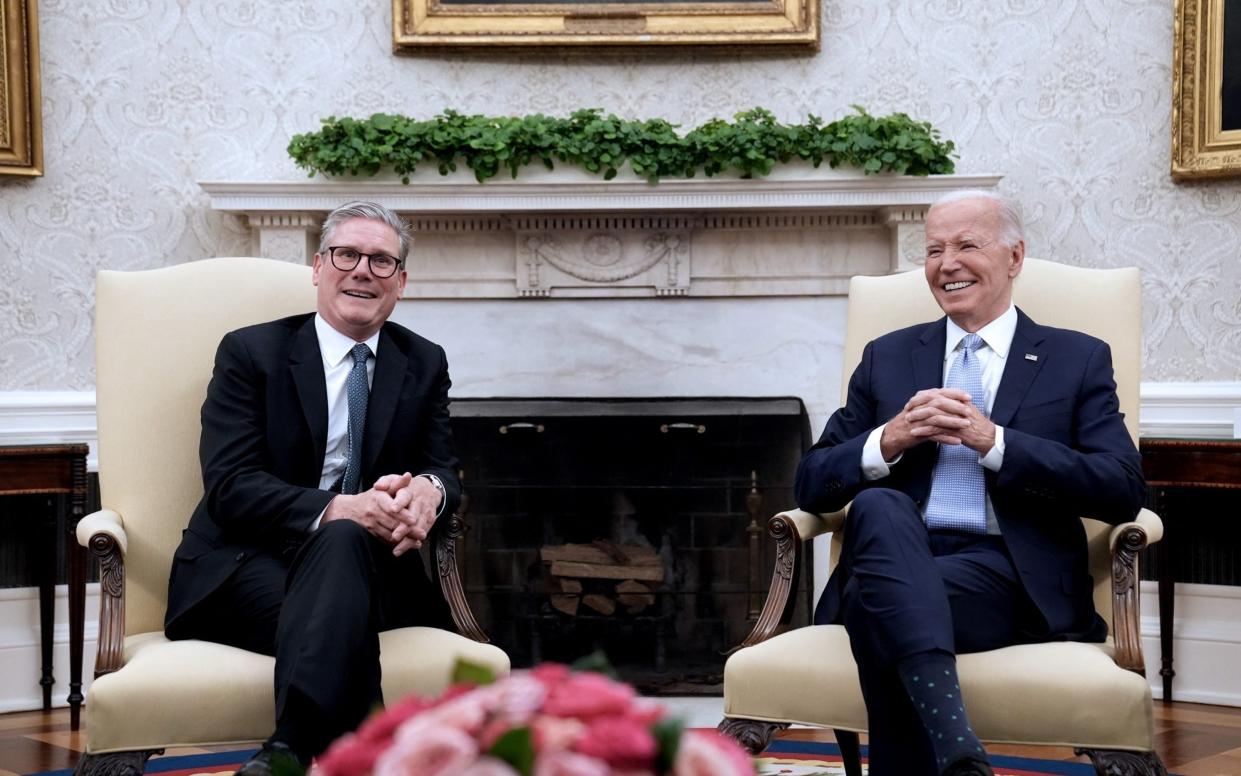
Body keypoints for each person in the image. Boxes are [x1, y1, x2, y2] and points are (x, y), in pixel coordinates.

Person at [794, 190, 1145, 776]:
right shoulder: (889, 357)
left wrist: (996, 443)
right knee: (880, 506)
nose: (946, 263)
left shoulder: (1075, 358)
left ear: (1014, 257)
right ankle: (957, 752)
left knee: (875, 604)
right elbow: (810, 483)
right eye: (933, 250)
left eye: (966, 245)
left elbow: (1120, 488)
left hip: (1009, 576)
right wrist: (891, 439)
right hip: (897, 555)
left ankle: (952, 752)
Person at [163, 201, 461, 775]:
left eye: (381, 261)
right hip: (244, 566)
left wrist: (429, 491)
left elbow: (443, 469)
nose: (362, 271)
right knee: (342, 580)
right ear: (318, 267)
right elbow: (229, 485)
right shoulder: (252, 353)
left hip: (369, 570)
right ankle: (365, 755)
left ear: (400, 282)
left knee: (345, 552)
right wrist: (339, 508)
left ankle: (289, 750)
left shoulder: (423, 361)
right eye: (348, 254)